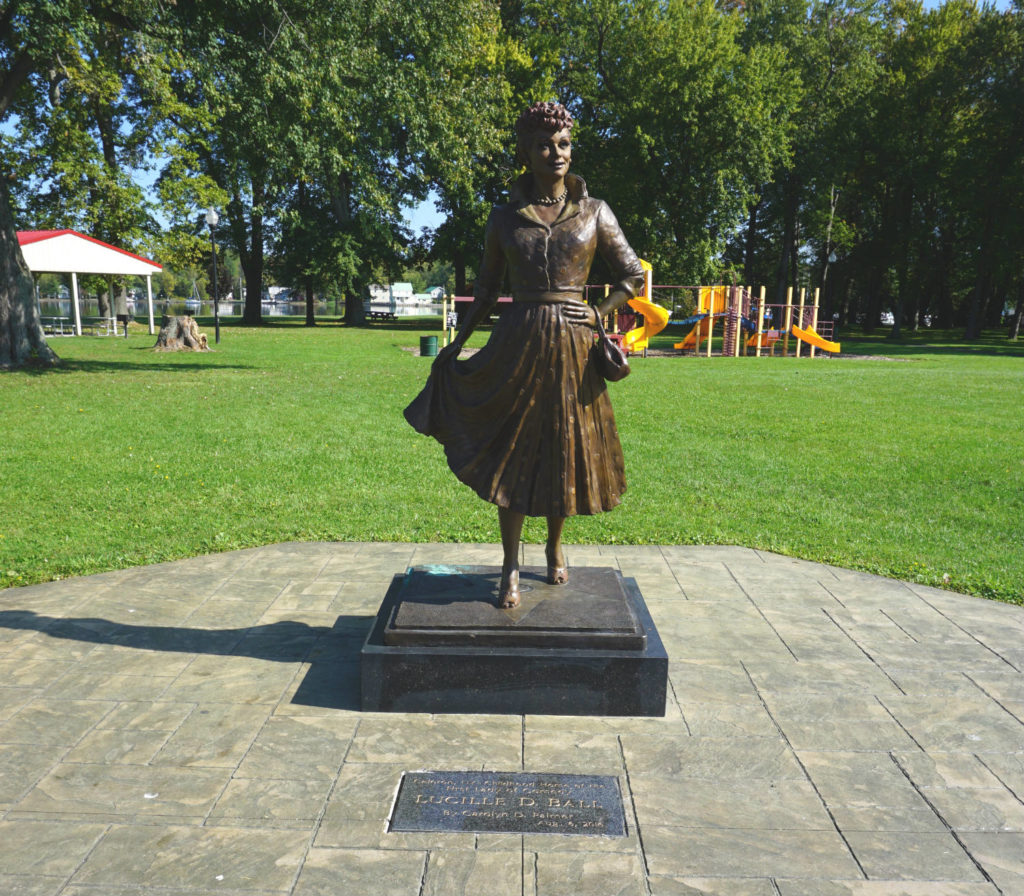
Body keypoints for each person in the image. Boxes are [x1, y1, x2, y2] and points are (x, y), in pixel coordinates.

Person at [404, 101, 644, 609]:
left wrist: (597, 312)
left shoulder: (595, 211)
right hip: (518, 344)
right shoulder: (504, 218)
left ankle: (556, 547)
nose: (554, 153)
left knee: (564, 451)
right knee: (511, 454)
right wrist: (457, 343)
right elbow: (488, 288)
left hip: (575, 351)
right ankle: (511, 564)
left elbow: (631, 274)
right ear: (526, 151)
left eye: (562, 143)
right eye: (542, 144)